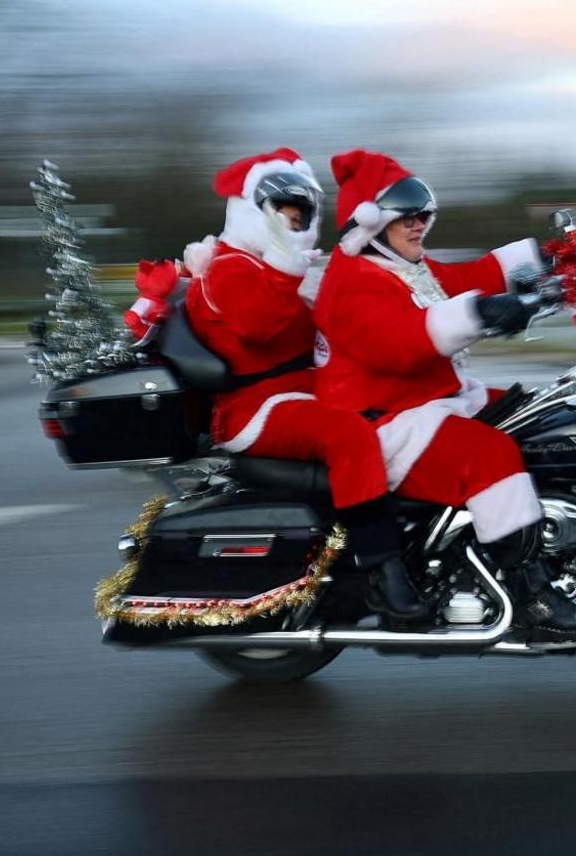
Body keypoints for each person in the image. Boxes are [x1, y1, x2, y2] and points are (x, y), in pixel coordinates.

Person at [313, 149, 576, 639]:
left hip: (433, 399)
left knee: (543, 409)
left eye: (424, 212)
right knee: (491, 454)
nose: (419, 223)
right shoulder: (350, 282)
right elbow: (401, 341)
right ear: (370, 223)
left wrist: (551, 261)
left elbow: (470, 279)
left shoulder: (409, 269)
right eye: (405, 214)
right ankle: (534, 597)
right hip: (387, 422)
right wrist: (484, 315)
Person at [183, 148, 429, 623]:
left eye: (299, 217)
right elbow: (261, 325)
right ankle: (382, 570)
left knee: (394, 406)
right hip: (255, 406)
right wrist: (285, 267)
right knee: (348, 435)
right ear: (254, 214)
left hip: (299, 391)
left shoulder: (277, 265)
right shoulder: (228, 268)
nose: (293, 226)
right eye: (283, 216)